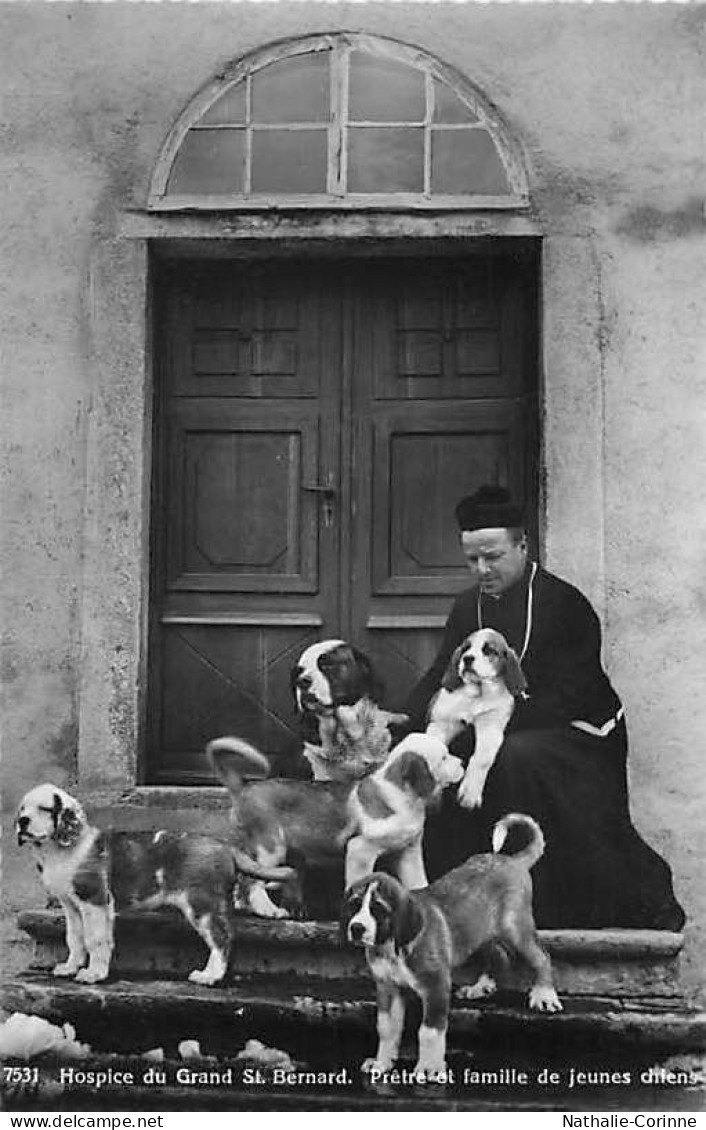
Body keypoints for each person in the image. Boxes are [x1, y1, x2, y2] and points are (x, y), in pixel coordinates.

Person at [405, 484, 685, 931]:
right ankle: (458, 907)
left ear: (522, 546)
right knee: (431, 755)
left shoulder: (564, 603)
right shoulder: (466, 606)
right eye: (472, 559)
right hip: (498, 726)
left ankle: (548, 910)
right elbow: (443, 671)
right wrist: (404, 718)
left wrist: (492, 725)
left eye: (492, 557)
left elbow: (575, 691)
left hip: (576, 734)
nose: (482, 569)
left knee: (517, 757)